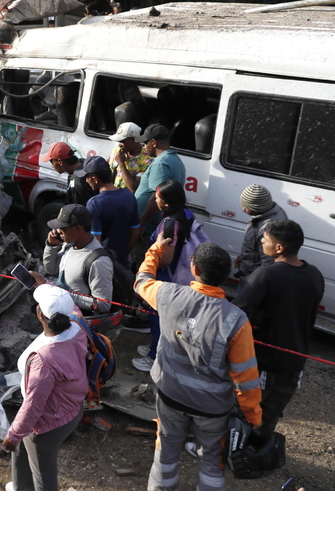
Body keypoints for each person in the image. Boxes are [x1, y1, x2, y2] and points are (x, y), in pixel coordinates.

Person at [135, 235, 262, 491]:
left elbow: (141, 281)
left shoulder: (168, 294)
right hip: (212, 408)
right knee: (212, 462)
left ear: (195, 269)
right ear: (226, 276)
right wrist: (253, 416)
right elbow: (245, 377)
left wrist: (157, 249)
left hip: (170, 396)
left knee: (165, 452)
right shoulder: (236, 320)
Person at [234, 219, 324, 436]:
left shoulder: (266, 275)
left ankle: (235, 450)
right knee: (269, 417)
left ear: (279, 247)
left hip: (264, 363)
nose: (261, 241)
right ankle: (259, 450)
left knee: (244, 415)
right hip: (294, 362)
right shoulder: (315, 274)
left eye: (265, 239)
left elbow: (236, 314)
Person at [2, 284, 87, 491]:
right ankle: (21, 489)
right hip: (70, 406)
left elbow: (33, 405)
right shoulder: (78, 325)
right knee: (22, 450)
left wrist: (13, 436)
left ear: (40, 314)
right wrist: (43, 283)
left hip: (48, 423)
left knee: (43, 477)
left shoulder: (45, 362)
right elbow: (71, 306)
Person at [132, 179, 210, 372]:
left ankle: (154, 358)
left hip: (167, 276)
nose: (155, 200)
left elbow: (166, 258)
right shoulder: (185, 214)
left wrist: (150, 264)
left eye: (157, 197)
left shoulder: (169, 224)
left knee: (159, 318)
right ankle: (155, 347)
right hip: (179, 275)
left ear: (165, 202)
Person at [38, 204, 113, 315]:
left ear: (78, 228)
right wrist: (51, 246)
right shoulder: (69, 245)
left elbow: (103, 305)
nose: (57, 231)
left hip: (78, 319)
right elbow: (51, 269)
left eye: (63, 228)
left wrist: (62, 294)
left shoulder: (99, 262)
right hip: (62, 311)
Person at [83, 155, 140, 267]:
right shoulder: (129, 196)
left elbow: (95, 242)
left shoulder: (94, 203)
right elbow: (135, 233)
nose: (86, 180)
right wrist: (123, 255)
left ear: (95, 179)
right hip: (123, 263)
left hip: (103, 265)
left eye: (87, 177)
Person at [133, 123, 186, 233]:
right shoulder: (176, 160)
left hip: (149, 227)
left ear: (153, 142)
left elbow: (155, 198)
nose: (144, 147)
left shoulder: (161, 163)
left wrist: (141, 223)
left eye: (145, 143)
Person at [233, 184, 288, 285]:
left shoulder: (267, 230)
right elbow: (254, 245)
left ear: (256, 208)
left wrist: (248, 280)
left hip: (254, 281)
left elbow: (268, 264)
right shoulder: (272, 211)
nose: (242, 208)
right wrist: (243, 256)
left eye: (246, 206)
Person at [41, 141, 94, 206]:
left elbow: (80, 209)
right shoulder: (82, 162)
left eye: (51, 162)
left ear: (60, 162)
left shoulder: (78, 184)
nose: (52, 166)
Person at [108, 121, 151, 192]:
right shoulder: (116, 152)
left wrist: (121, 164)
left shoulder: (147, 160)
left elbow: (134, 189)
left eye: (122, 141)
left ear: (134, 139)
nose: (119, 145)